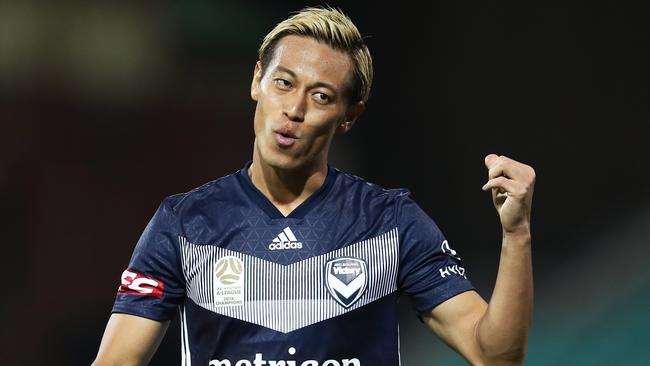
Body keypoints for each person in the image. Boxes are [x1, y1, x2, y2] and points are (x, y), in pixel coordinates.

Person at [92, 6, 535, 366]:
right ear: (256, 82)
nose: (295, 109)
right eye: (284, 84)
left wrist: (516, 234)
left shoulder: (390, 222)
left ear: (349, 116)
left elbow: (495, 357)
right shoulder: (184, 223)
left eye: (321, 96)